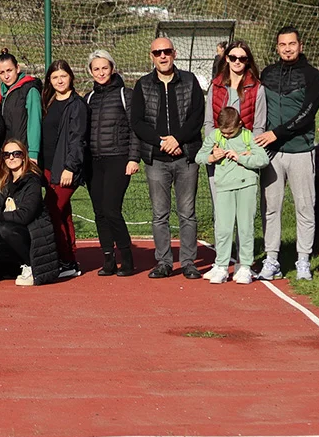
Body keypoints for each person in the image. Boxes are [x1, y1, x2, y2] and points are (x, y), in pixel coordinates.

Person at [131, 37, 205, 280]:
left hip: (186, 157)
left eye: (166, 51)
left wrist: (177, 140)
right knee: (159, 215)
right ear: (151, 56)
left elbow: (197, 117)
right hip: (156, 159)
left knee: (187, 213)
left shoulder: (190, 81)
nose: (162, 56)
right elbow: (137, 122)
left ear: (174, 53)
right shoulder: (143, 85)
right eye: (157, 52)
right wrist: (161, 142)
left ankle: (188, 262)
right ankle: (164, 262)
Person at [256, 26, 319, 281]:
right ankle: (272, 259)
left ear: (300, 46)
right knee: (271, 208)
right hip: (272, 154)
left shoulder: (313, 76)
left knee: (305, 207)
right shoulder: (268, 73)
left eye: (291, 44)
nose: (287, 49)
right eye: (283, 44)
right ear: (277, 48)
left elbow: (307, 114)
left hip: (301, 151)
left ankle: (303, 260)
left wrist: (277, 133)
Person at [0, 139, 60, 286]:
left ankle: (32, 267)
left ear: (24, 156)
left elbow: (25, 216)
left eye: (16, 154)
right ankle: (18, 267)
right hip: (17, 234)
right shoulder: (5, 180)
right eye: (6, 155)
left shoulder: (32, 181)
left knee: (5, 228)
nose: (11, 158)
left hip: (34, 236)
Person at [85, 51, 141, 276]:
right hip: (93, 162)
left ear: (112, 68)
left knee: (111, 209)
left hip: (118, 159)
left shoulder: (125, 94)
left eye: (104, 68)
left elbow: (135, 128)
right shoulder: (88, 98)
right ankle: (108, 258)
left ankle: (127, 257)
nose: (101, 73)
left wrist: (133, 158)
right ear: (90, 72)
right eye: (96, 69)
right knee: (99, 212)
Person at [198, 107, 268, 285]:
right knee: (223, 228)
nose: (227, 136)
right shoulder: (215, 136)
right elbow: (199, 157)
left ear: (240, 124)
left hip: (247, 185)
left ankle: (244, 266)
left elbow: (263, 159)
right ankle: (221, 266)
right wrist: (212, 157)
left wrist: (240, 158)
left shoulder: (248, 136)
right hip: (223, 186)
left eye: (230, 132)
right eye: (224, 133)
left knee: (245, 228)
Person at [40, 59, 87, 278]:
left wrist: (70, 167)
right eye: (55, 77)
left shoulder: (77, 104)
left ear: (71, 77)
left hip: (65, 168)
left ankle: (65, 260)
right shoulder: (48, 101)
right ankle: (70, 258)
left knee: (51, 212)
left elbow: (78, 139)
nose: (60, 81)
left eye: (63, 76)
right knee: (63, 213)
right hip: (48, 167)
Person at [0, 50, 43, 161]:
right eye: (2, 72)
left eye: (9, 70)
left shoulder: (30, 90)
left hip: (24, 152)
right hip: (7, 153)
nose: (6, 76)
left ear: (18, 68)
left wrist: (33, 153)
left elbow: (35, 122)